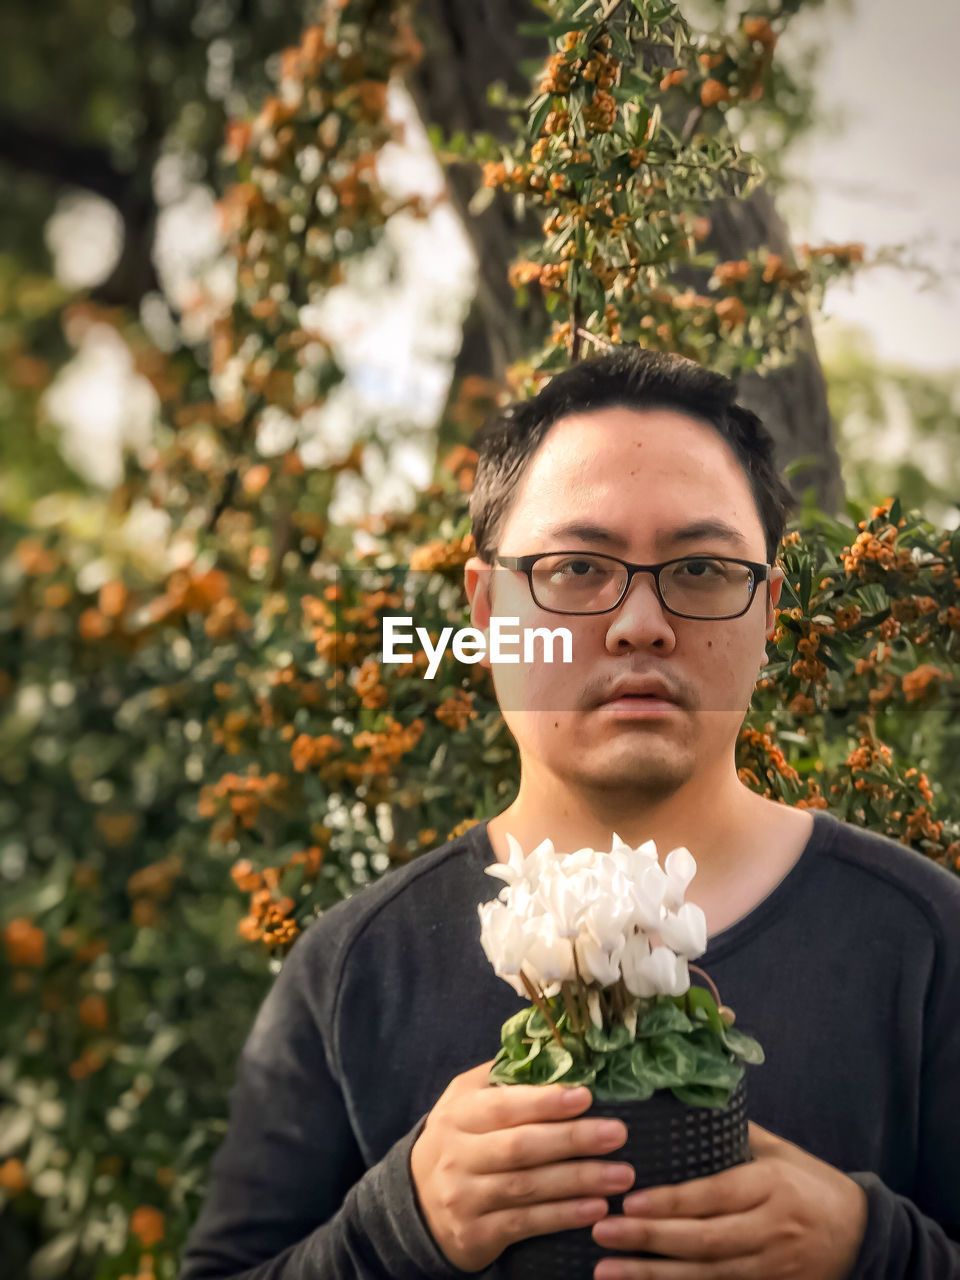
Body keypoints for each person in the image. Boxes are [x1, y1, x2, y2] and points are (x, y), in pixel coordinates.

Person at [178, 347, 960, 1280]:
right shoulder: (358, 970)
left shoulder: (924, 941)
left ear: (769, 613)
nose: (639, 622)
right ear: (485, 609)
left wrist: (876, 1253)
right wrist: (396, 1228)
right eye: (579, 566)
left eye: (702, 568)